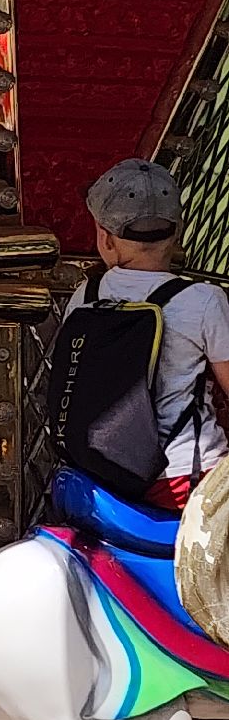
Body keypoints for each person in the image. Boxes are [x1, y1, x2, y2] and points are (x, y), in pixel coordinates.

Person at [71, 159, 229, 510]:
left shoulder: (85, 296)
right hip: (184, 476)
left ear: (105, 237)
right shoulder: (202, 300)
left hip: (102, 475)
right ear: (178, 232)